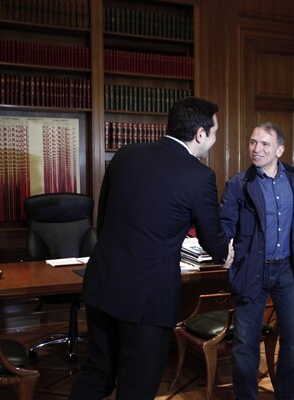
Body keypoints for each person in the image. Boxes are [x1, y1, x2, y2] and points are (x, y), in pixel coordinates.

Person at [69, 97, 234, 399]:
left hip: (102, 283)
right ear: (200, 134)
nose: (214, 139)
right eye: (215, 132)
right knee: (138, 387)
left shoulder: (125, 155)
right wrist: (226, 252)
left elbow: (103, 220)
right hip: (146, 298)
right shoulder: (199, 176)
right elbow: (213, 240)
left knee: (97, 374)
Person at [219, 122, 294, 400]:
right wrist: (224, 247)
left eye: (264, 144)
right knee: (245, 342)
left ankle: (287, 395)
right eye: (253, 142)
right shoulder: (238, 184)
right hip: (252, 269)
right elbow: (225, 225)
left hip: (288, 269)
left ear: (279, 150)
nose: (256, 148)